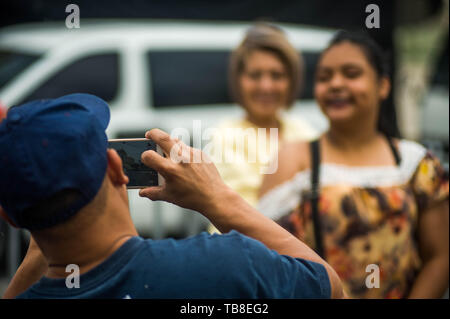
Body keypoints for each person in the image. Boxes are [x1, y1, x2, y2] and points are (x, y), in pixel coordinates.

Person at [0, 93, 344, 299]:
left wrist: (41, 251)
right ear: (114, 166)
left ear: (9, 216)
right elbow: (327, 286)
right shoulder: (223, 265)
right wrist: (219, 200)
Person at [258, 31, 449, 299]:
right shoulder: (292, 159)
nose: (336, 84)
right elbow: (263, 259)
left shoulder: (416, 164)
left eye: (351, 73)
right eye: (324, 77)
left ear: (383, 85)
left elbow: (440, 257)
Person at [210, 23, 317, 208]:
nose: (266, 86)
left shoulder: (304, 131)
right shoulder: (225, 136)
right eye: (255, 75)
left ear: (292, 81)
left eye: (276, 75)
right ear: (238, 80)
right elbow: (241, 211)